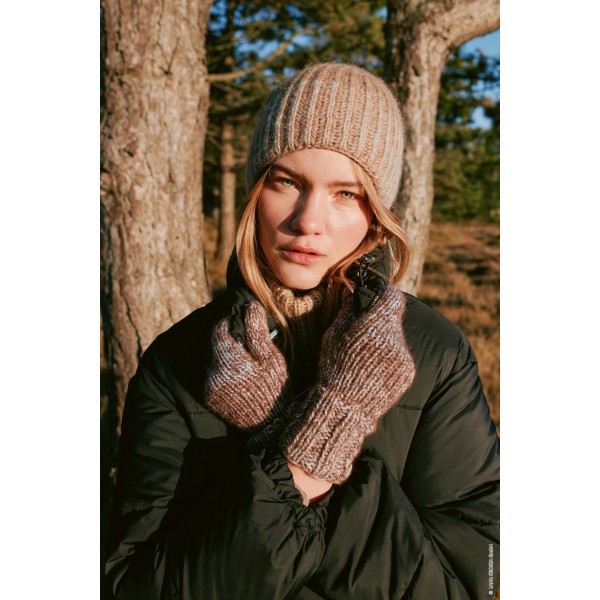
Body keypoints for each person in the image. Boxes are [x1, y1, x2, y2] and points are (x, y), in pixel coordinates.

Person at [105, 62, 500, 599]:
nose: (308, 221)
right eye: (286, 182)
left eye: (346, 194)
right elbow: (135, 586)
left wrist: (304, 448)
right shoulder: (177, 361)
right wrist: (307, 461)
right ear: (255, 190)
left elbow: (476, 581)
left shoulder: (435, 351)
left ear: (376, 214)